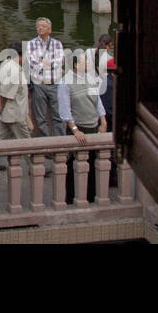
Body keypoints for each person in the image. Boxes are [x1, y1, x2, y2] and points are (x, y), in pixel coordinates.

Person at [57, 51, 107, 204]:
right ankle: (71, 197)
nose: (88, 64)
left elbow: (97, 100)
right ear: (76, 65)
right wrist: (74, 129)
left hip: (93, 125)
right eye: (85, 61)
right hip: (78, 128)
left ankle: (90, 196)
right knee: (73, 166)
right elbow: (65, 109)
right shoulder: (65, 82)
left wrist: (103, 120)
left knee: (92, 164)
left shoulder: (90, 78)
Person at [26, 17, 64, 137]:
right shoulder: (31, 44)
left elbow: (59, 61)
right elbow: (32, 63)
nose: (40, 28)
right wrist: (46, 63)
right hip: (39, 84)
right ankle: (46, 145)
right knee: (40, 117)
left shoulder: (57, 44)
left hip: (55, 84)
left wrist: (42, 62)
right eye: (38, 26)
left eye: (43, 26)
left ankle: (60, 143)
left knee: (58, 116)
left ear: (50, 29)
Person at [0, 41, 32, 139]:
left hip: (9, 114)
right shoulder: (15, 70)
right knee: (27, 144)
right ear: (20, 56)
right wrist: (1, 107)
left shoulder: (5, 64)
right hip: (15, 115)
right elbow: (5, 94)